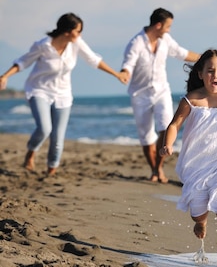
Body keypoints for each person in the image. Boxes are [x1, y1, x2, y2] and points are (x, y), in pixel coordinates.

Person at [0, 13, 127, 176]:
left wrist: (116, 74)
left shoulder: (76, 43)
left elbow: (93, 59)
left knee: (58, 138)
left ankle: (51, 170)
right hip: (39, 90)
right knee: (45, 129)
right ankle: (31, 151)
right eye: (78, 31)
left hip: (63, 94)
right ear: (67, 31)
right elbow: (23, 61)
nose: (80, 35)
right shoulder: (43, 45)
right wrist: (5, 76)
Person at [161, 48, 217, 267]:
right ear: (201, 74)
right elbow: (174, 125)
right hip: (196, 167)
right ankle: (200, 223)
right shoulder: (191, 100)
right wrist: (168, 144)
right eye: (210, 71)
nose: (215, 75)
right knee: (198, 214)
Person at [119, 8, 201, 184]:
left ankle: (158, 169)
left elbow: (182, 53)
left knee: (166, 127)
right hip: (140, 95)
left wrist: (205, 59)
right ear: (158, 25)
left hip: (162, 91)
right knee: (146, 135)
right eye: (168, 26)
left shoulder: (165, 40)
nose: (169, 30)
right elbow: (128, 63)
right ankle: (154, 170)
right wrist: (125, 72)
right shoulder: (136, 43)